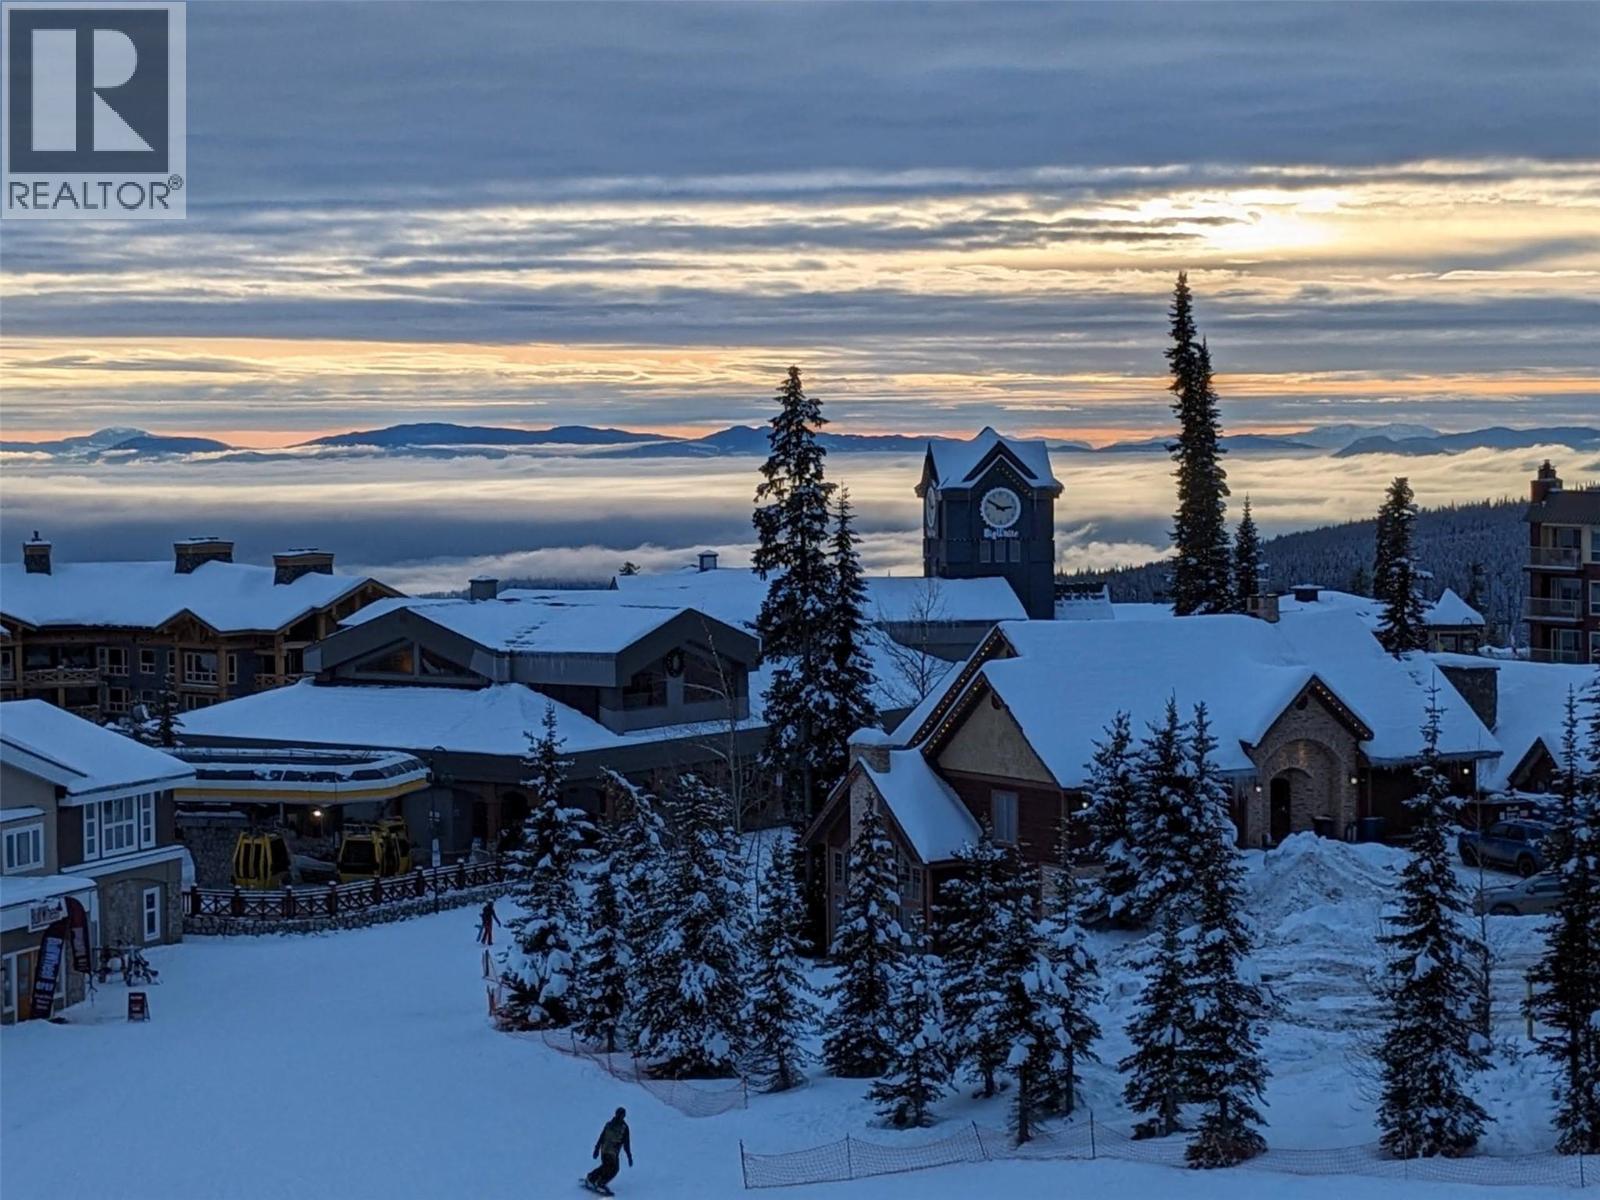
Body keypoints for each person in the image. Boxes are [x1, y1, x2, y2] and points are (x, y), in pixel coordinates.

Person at [586, 1106, 632, 1195]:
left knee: (606, 1167)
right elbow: (626, 1144)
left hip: (604, 1150)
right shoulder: (623, 1127)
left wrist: (597, 1149)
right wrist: (629, 1156)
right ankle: (600, 1183)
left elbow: (602, 1137)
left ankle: (591, 1177)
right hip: (612, 1152)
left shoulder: (610, 1124)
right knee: (614, 1169)